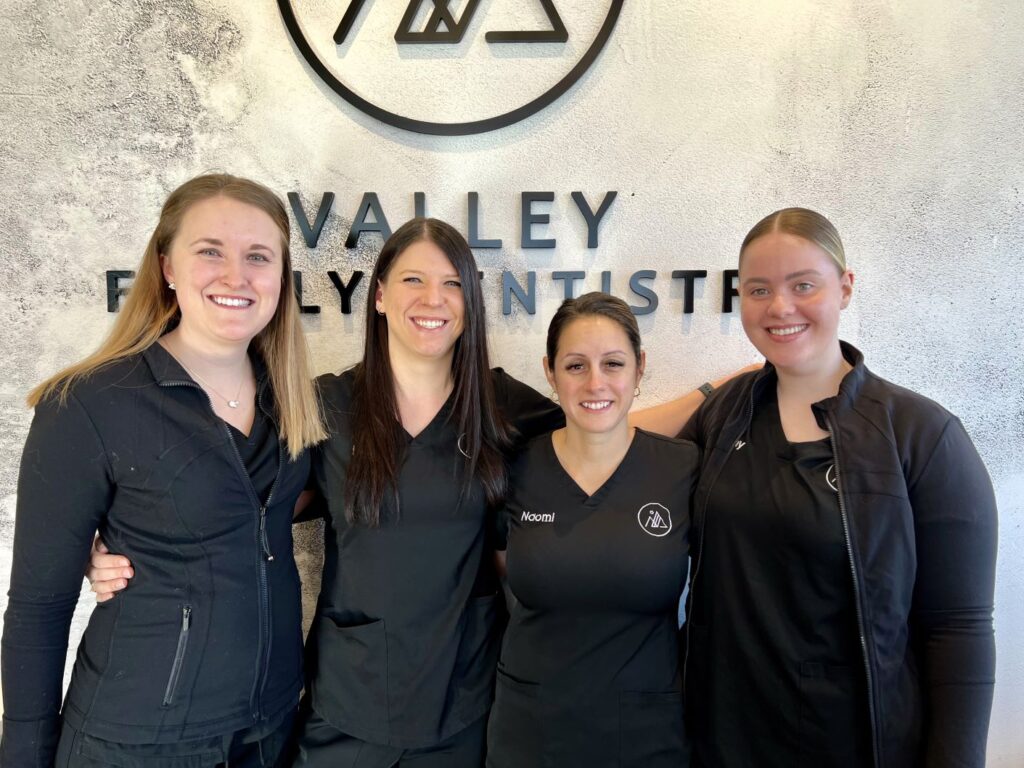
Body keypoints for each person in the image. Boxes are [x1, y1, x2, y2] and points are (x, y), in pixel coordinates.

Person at [85, 218, 728, 768]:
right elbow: (243, 498)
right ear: (383, 297)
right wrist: (118, 535)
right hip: (347, 701)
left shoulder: (499, 406)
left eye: (453, 283)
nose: (435, 298)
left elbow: (603, 422)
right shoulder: (330, 404)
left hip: (463, 704)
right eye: (415, 280)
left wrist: (711, 397)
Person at [1, 174, 326, 768]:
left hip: (271, 728)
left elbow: (271, 506)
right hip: (138, 741)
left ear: (281, 277)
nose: (236, 276)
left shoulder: (292, 401)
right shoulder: (90, 403)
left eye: (259, 257)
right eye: (210, 251)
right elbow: (36, 609)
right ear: (167, 265)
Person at [679, 207, 998, 767]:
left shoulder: (920, 434)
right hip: (723, 738)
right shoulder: (723, 417)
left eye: (803, 285)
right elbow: (626, 454)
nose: (780, 307)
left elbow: (958, 629)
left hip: (855, 742)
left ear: (845, 288)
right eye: (758, 289)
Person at [487, 293, 696, 768]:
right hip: (530, 731)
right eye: (576, 365)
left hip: (647, 733)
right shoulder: (514, 468)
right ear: (550, 371)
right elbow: (494, 560)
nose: (595, 382)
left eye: (614, 363)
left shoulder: (682, 468)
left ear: (640, 369)